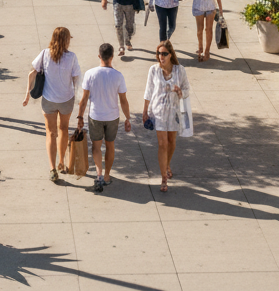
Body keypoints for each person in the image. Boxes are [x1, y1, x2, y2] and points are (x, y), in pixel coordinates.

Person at [22, 27, 81, 182]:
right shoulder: (72, 57)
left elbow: (32, 73)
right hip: (66, 99)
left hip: (48, 100)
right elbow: (76, 79)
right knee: (63, 129)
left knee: (50, 133)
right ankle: (62, 161)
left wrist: (27, 93)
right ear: (66, 40)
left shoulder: (44, 54)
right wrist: (79, 98)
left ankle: (52, 168)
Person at [77, 43, 131, 191]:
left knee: (96, 146)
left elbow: (84, 99)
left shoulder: (90, 74)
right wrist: (128, 118)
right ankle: (107, 175)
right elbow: (123, 100)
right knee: (110, 145)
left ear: (99, 56)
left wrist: (80, 117)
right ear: (112, 57)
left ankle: (99, 174)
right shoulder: (118, 76)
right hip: (112, 116)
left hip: (95, 116)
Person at [142, 41, 191, 193]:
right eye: (158, 54)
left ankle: (167, 164)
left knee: (172, 142)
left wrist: (179, 91)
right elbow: (148, 91)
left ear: (170, 55)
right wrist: (145, 111)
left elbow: (187, 89)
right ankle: (163, 177)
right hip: (159, 112)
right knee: (162, 144)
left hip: (174, 112)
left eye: (164, 54)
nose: (160, 57)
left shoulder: (179, 70)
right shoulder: (153, 70)